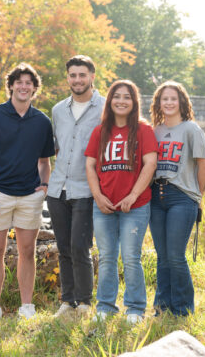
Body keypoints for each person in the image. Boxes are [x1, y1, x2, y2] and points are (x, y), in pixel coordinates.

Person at [0, 63, 55, 324]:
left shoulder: (42, 121)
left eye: (29, 82)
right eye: (19, 81)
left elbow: (44, 161)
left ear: (34, 88)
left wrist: (44, 186)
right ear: (11, 86)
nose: (23, 86)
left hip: (29, 196)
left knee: (27, 250)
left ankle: (26, 306)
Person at [85, 80, 158, 324]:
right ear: (110, 101)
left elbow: (150, 164)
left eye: (127, 97)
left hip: (135, 206)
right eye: (117, 96)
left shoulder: (143, 130)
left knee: (130, 257)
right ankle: (105, 307)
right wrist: (97, 195)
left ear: (134, 102)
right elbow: (90, 165)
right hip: (104, 204)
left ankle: (135, 309)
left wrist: (133, 195)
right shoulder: (100, 131)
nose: (121, 101)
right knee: (106, 257)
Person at [46, 55, 105, 317]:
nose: (77, 80)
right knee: (64, 247)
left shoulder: (105, 107)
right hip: (58, 189)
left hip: (86, 188)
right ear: (67, 77)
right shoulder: (58, 110)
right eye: (73, 75)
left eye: (82, 75)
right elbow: (55, 147)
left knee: (81, 246)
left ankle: (84, 303)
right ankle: (67, 301)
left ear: (92, 76)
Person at [149, 81, 205, 316]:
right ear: (158, 102)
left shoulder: (191, 129)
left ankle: (183, 309)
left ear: (181, 102)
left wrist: (197, 197)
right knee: (162, 256)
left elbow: (204, 166)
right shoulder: (155, 131)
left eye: (173, 98)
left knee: (175, 256)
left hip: (181, 197)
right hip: (156, 196)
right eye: (164, 99)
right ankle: (162, 308)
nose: (169, 103)